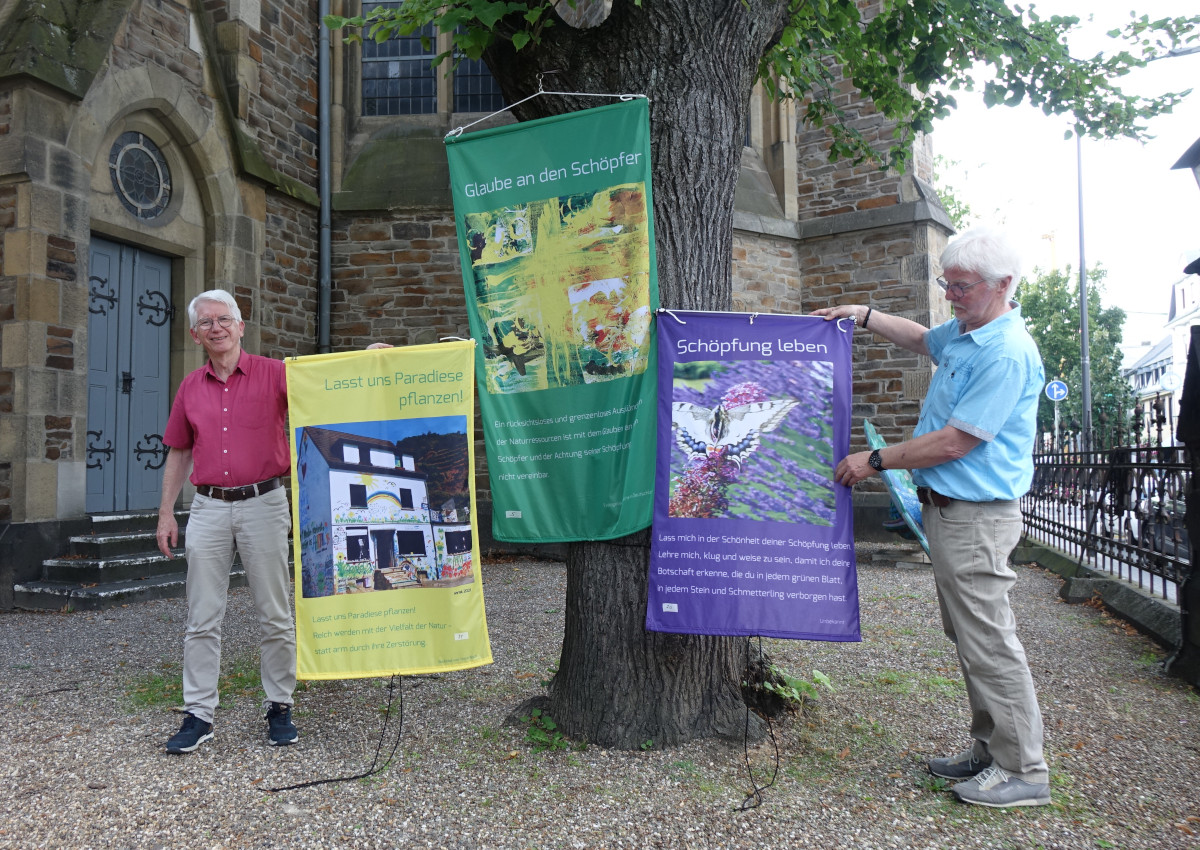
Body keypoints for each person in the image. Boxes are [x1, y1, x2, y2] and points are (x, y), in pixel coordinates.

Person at [812, 227, 1050, 808]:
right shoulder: (970, 332)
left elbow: (953, 443)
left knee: (989, 642)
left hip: (974, 517)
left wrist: (875, 460)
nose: (951, 295)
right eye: (947, 283)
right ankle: (989, 749)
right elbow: (924, 339)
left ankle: (1023, 770)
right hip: (950, 514)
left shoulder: (1005, 351)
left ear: (1005, 286)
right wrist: (864, 314)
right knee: (969, 636)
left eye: (962, 287)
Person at [156, 289, 299, 754]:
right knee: (201, 617)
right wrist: (166, 513)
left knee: (275, 613)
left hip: (264, 502)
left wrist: (366, 362)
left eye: (223, 319)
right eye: (206, 323)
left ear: (240, 327)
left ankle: (279, 704)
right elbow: (179, 449)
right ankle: (198, 713)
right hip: (209, 507)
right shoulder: (190, 388)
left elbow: (328, 385)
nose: (215, 328)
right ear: (196, 335)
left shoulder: (275, 374)